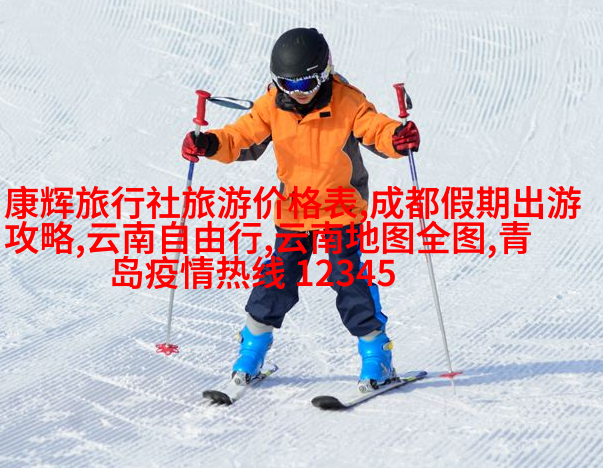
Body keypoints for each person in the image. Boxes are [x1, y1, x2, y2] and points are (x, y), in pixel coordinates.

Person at [181, 28, 420, 390]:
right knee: (278, 278)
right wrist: (209, 143)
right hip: (296, 208)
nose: (298, 92)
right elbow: (239, 137)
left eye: (306, 83)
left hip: (341, 207)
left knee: (347, 277)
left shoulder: (348, 101)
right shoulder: (272, 105)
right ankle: (252, 349)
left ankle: (377, 355)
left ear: (324, 72)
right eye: (288, 84)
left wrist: (397, 139)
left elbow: (376, 128)